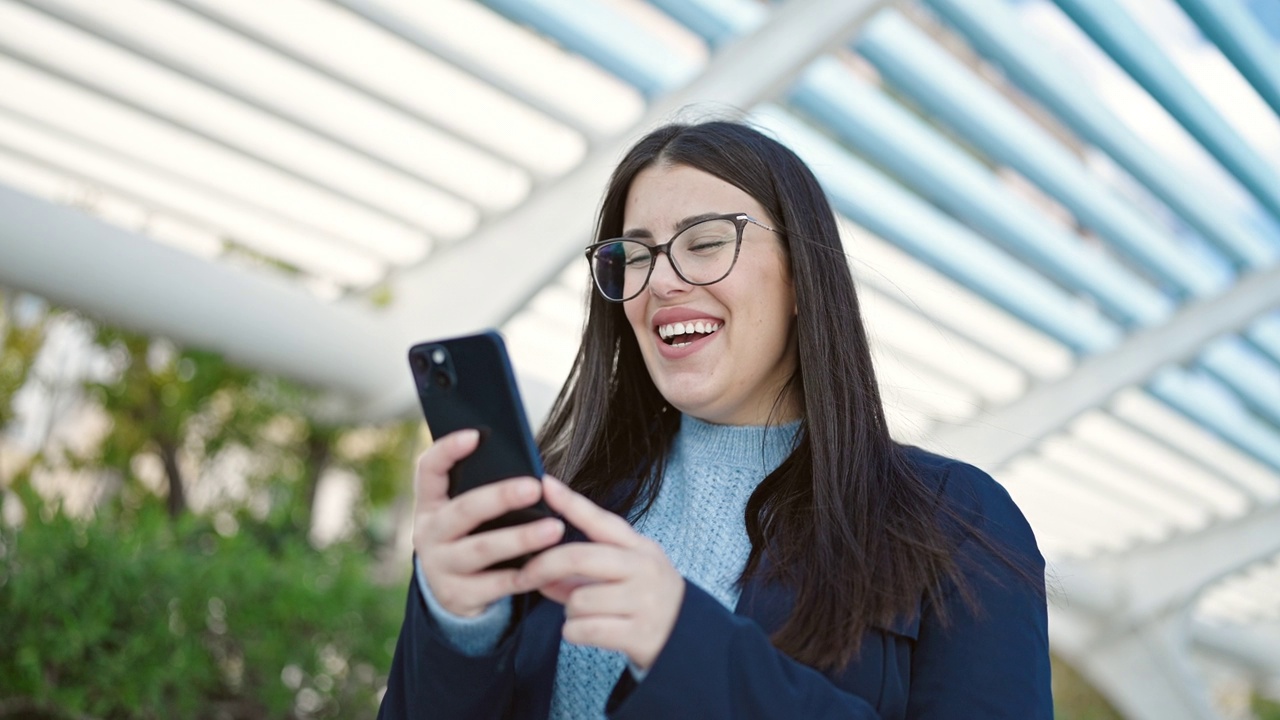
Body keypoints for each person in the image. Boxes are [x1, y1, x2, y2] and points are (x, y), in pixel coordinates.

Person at [378, 120, 1052, 719]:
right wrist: (456, 626)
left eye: (705, 243)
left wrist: (685, 644)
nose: (662, 281)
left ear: (800, 276)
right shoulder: (555, 507)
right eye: (635, 255)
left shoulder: (958, 524)